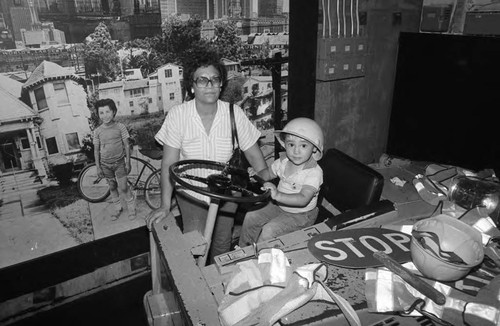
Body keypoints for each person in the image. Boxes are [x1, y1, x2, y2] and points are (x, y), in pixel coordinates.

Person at [145, 50, 268, 263]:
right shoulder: (178, 115)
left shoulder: (234, 114)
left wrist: (273, 186)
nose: (209, 85)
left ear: (221, 84)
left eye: (214, 79)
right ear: (192, 86)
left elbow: (257, 159)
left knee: (221, 246)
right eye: (202, 80)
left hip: (226, 193)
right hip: (192, 193)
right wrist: (165, 205)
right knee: (195, 246)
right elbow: (169, 163)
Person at [239, 117, 324, 247]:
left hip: (301, 214)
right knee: (251, 216)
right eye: (291, 144)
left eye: (303, 145)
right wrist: (256, 175)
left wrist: (277, 195)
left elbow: (303, 199)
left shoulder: (313, 172)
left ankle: (260, 258)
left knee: (270, 230)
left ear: (314, 148)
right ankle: (243, 250)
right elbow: (267, 174)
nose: (296, 151)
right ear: (285, 145)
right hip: (279, 205)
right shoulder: (282, 162)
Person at [93, 98, 136, 220]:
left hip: (119, 163)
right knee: (112, 187)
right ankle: (118, 208)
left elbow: (127, 145)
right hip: (105, 165)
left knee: (123, 187)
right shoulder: (97, 131)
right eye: (101, 113)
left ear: (113, 112)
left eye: (107, 112)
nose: (105, 115)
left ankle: (131, 207)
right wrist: (98, 167)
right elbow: (96, 150)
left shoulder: (120, 127)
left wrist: (128, 162)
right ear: (98, 114)